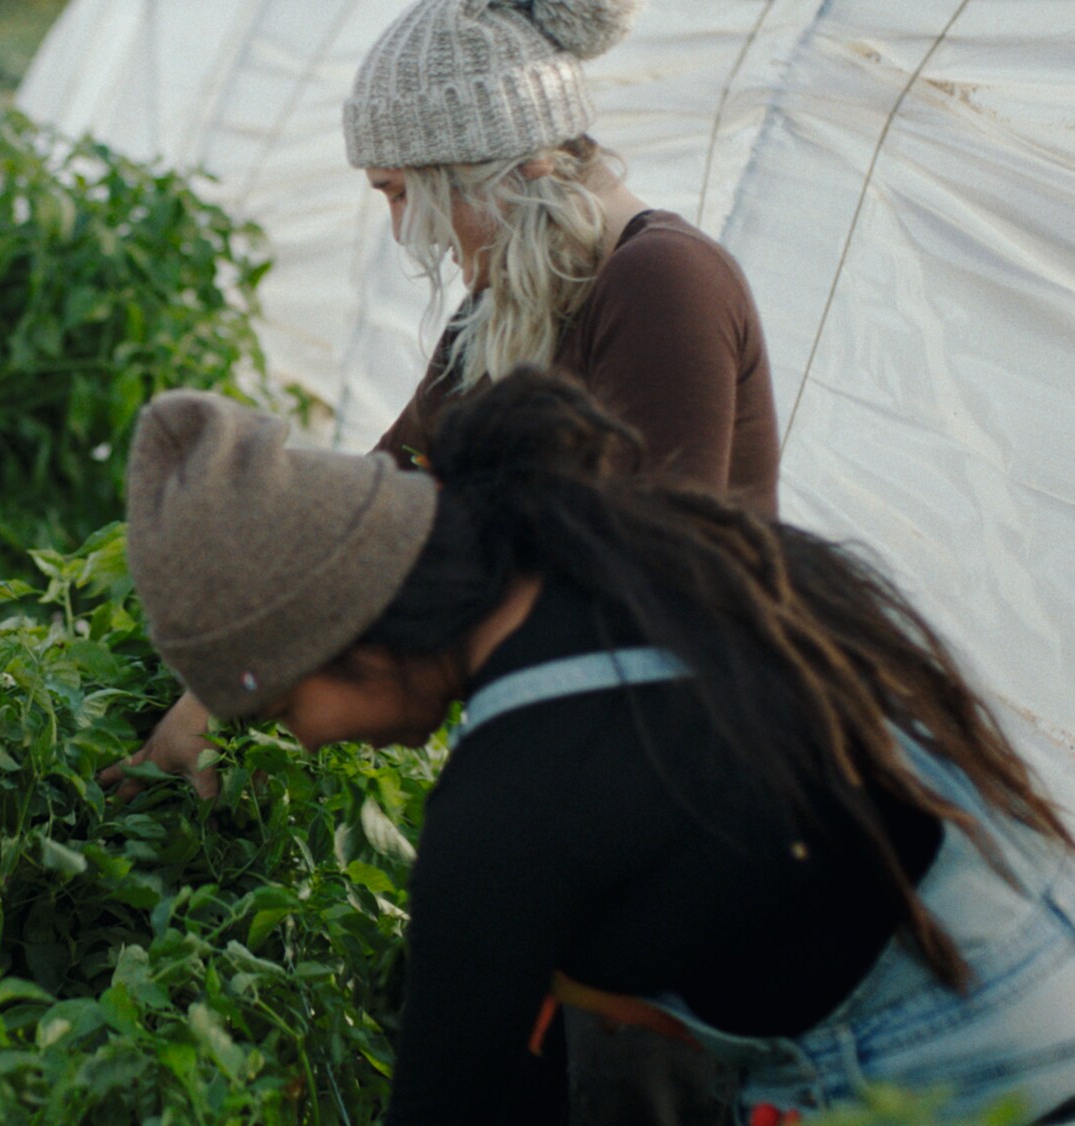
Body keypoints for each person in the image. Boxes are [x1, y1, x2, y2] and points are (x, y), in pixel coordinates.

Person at [110, 0, 783, 1114]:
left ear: (484, 174)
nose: (401, 233)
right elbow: (378, 498)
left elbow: (643, 583)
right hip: (573, 774)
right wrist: (207, 692)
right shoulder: (504, 307)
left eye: (398, 196)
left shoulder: (661, 283)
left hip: (685, 791)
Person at [123, 373, 1075, 1125]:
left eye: (284, 703)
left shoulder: (502, 804)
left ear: (352, 638)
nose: (299, 735)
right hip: (1063, 958)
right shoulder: (630, 568)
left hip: (968, 1077)